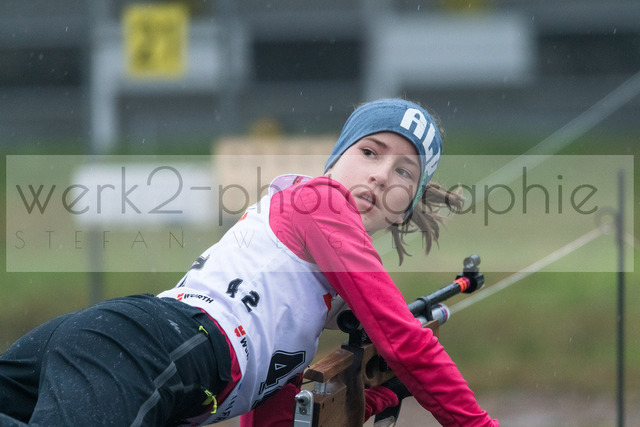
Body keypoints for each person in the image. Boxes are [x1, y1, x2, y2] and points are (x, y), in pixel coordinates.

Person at [0, 99, 498, 426]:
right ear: (333, 161)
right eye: (370, 152)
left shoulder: (306, 311)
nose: (382, 175)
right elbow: (404, 341)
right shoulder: (320, 200)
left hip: (123, 342)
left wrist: (379, 396)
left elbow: (283, 422)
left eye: (405, 172)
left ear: (407, 206)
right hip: (151, 344)